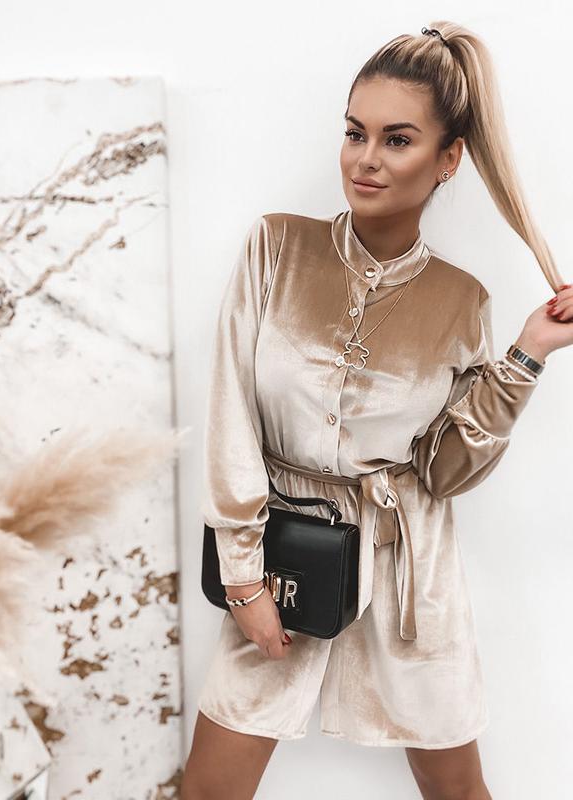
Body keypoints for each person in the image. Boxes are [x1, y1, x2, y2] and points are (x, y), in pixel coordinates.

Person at [182, 20, 573, 800]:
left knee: (457, 793)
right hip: (283, 558)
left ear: (448, 158)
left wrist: (526, 356)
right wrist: (244, 581)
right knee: (208, 791)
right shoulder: (276, 249)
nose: (365, 159)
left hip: (408, 573)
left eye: (397, 140)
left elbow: (444, 472)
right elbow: (231, 420)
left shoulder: (463, 301)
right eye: (355, 132)